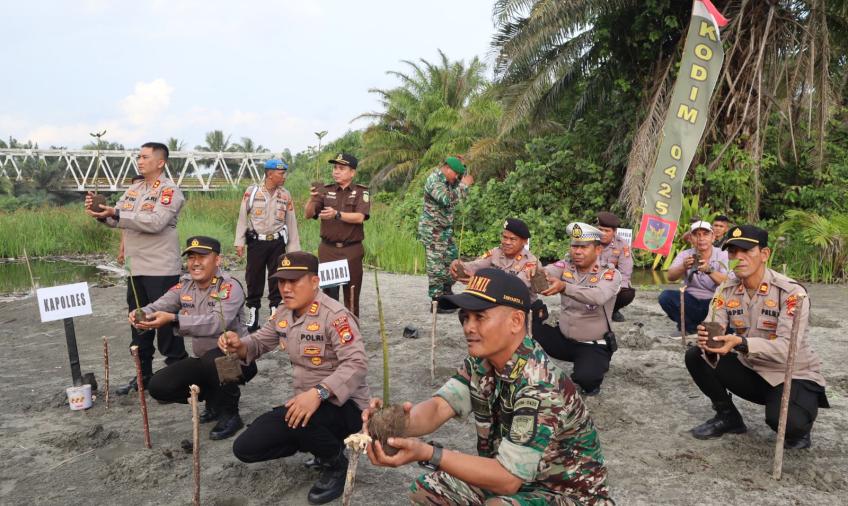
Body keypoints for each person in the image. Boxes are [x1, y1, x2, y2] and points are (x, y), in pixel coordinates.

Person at [364, 268, 612, 505]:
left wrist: (429, 453)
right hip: (519, 485)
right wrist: (391, 422)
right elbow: (440, 408)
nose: (468, 327)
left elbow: (507, 480)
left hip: (566, 496)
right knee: (429, 490)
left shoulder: (540, 384)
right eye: (465, 317)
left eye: (480, 316)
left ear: (515, 321)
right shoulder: (481, 362)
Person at [220, 251, 369, 505]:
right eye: (281, 281)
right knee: (246, 448)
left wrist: (319, 392)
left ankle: (336, 464)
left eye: (294, 281)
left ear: (314, 282)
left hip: (346, 406)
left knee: (301, 417)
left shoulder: (335, 316)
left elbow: (357, 363)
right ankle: (320, 446)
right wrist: (238, 344)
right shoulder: (283, 312)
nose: (286, 288)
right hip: (305, 405)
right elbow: (259, 342)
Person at [685, 225, 829, 449]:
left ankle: (800, 421)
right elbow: (716, 322)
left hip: (791, 373)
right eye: (733, 252)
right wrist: (708, 336)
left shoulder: (791, 293)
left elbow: (786, 348)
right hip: (752, 367)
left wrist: (740, 342)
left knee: (787, 426)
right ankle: (728, 417)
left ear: (764, 254)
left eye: (746, 251)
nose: (738, 257)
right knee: (697, 355)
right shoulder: (725, 288)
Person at [85, 142, 187, 394]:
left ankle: (179, 378)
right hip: (136, 269)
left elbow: (155, 222)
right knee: (138, 323)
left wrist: (117, 214)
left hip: (161, 269)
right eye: (138, 156)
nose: (139, 161)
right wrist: (101, 213)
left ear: (160, 162)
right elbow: (116, 219)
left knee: (165, 328)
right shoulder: (133, 189)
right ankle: (143, 377)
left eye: (144, 157)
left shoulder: (169, 191)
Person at [138, 236, 255, 440]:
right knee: (158, 386)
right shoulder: (185, 285)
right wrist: (142, 312)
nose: (195, 262)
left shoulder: (229, 287)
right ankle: (213, 398)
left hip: (238, 360)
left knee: (215, 359)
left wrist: (174, 319)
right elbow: (162, 303)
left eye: (202, 257)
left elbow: (217, 322)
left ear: (217, 260)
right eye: (191, 257)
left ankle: (230, 414)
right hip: (204, 362)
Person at [532, 223, 621, 396]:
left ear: (597, 250)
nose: (577, 251)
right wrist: (536, 271)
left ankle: (592, 369)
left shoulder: (609, 274)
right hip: (562, 338)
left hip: (592, 345)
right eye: (574, 246)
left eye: (583, 247)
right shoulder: (565, 266)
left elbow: (598, 296)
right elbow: (546, 272)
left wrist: (564, 287)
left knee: (586, 379)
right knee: (524, 326)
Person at [234, 159, 301, 331]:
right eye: (281, 173)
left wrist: (294, 251)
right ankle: (253, 313)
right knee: (253, 277)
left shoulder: (285, 195)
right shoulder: (252, 192)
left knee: (277, 278)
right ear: (270, 174)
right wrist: (239, 241)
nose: (284, 176)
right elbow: (243, 217)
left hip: (277, 243)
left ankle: (275, 313)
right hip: (257, 242)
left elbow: (292, 223)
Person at [305, 153, 369, 317]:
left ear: (352, 172)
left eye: (341, 168)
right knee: (329, 296)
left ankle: (351, 335)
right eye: (335, 168)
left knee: (351, 295)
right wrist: (312, 199)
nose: (336, 171)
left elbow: (360, 217)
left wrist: (337, 214)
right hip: (329, 251)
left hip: (351, 251)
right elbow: (308, 214)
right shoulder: (325, 191)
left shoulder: (361, 192)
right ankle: (330, 333)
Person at [418, 156, 474, 311]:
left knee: (452, 260)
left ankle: (447, 293)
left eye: (458, 175)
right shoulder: (434, 180)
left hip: (445, 230)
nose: (457, 178)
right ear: (448, 169)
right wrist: (463, 186)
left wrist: (464, 166)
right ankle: (436, 301)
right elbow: (447, 199)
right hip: (432, 230)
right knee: (436, 266)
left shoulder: (449, 180)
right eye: (455, 173)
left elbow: (461, 178)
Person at [658, 221, 729, 335]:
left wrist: (709, 270)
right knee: (665, 297)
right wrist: (683, 266)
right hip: (691, 300)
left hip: (714, 301)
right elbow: (670, 277)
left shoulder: (723, 255)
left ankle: (706, 327)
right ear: (690, 239)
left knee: (729, 304)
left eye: (705, 234)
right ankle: (690, 326)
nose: (701, 238)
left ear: (713, 237)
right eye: (696, 235)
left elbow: (727, 281)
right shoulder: (685, 255)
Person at [449, 218, 539, 295]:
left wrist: (479, 282)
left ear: (525, 241)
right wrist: (459, 265)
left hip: (518, 305)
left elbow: (516, 286)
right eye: (504, 237)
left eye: (513, 239)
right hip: (494, 299)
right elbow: (475, 266)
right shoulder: (496, 252)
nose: (507, 242)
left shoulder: (531, 262)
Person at [596, 211, 635, 322]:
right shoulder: (589, 241)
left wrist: (616, 289)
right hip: (590, 281)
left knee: (628, 293)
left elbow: (625, 272)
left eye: (607, 231)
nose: (603, 233)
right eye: (600, 229)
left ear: (614, 232)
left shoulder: (622, 245)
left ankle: (613, 310)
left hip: (611, 283)